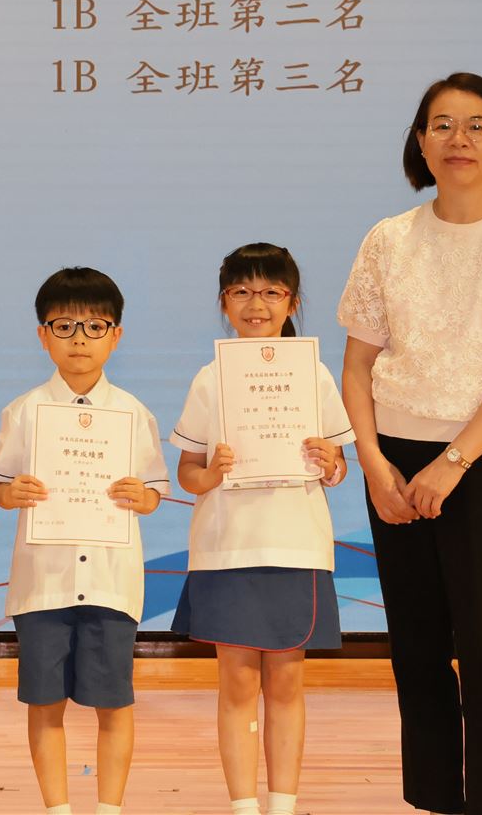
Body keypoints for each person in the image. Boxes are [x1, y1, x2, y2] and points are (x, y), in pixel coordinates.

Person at [337, 72, 482, 815]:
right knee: (415, 647)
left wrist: (454, 461)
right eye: (441, 124)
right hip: (394, 462)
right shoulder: (388, 238)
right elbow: (357, 364)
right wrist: (372, 464)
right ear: (420, 142)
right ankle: (435, 800)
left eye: (476, 125)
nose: (458, 139)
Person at [170, 244, 355, 815]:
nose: (257, 304)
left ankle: (283, 806)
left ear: (292, 302)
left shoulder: (313, 373)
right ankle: (244, 807)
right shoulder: (210, 378)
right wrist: (210, 473)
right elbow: (187, 472)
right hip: (227, 549)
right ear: (224, 302)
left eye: (272, 292)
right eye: (242, 292)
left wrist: (330, 461)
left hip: (296, 547)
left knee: (287, 684)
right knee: (236, 685)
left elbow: (339, 467)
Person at [0, 268, 170, 815]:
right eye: (64, 326)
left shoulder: (133, 413)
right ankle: (57, 808)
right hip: (43, 585)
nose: (79, 339)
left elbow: (155, 492)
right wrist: (11, 492)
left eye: (95, 326)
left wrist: (143, 496)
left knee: (114, 703)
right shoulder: (23, 411)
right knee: (45, 703)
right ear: (42, 335)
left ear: (116, 335)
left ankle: (109, 808)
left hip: (111, 584)